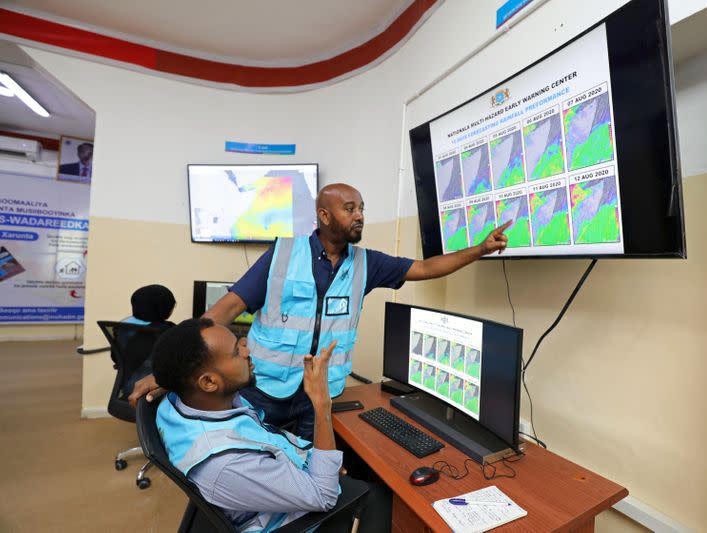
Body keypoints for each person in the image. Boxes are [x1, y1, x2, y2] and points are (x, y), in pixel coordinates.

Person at [131, 183, 510, 439]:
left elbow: (425, 268)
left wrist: (479, 249)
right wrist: (174, 371)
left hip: (320, 396)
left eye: (361, 208)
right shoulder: (281, 254)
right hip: (264, 389)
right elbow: (224, 311)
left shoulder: (368, 263)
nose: (359, 215)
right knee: (258, 471)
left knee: (310, 475)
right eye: (349, 209)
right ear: (325, 216)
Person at [152, 318, 390, 532]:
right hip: (295, 521)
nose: (247, 351)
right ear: (208, 382)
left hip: (279, 481)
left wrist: (313, 458)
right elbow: (323, 496)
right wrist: (321, 404)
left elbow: (267, 437)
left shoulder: (177, 402)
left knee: (359, 462)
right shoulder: (226, 463)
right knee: (392, 500)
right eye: (236, 352)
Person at [120, 284, 176, 395]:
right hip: (154, 391)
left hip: (128, 387)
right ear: (164, 308)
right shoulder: (170, 331)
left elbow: (115, 357)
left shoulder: (122, 327)